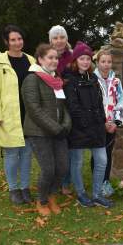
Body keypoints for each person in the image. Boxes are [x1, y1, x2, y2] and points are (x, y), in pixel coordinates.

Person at [21, 44, 72, 216]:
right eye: (50, 57)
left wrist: (65, 125)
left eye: (56, 58)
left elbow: (63, 107)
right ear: (40, 59)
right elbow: (34, 110)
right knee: (48, 169)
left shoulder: (55, 79)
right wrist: (56, 128)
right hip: (38, 132)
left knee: (63, 167)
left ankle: (51, 196)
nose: (54, 61)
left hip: (58, 132)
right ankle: (41, 200)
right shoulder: (32, 79)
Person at [63, 41, 114, 208]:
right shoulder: (69, 79)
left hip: (97, 127)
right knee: (76, 163)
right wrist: (85, 124)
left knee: (101, 160)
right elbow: (73, 106)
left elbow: (99, 103)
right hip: (78, 128)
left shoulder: (93, 78)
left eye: (87, 58)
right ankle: (81, 194)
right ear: (75, 60)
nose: (85, 62)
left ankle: (97, 194)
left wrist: (103, 121)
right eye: (81, 58)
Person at [0, 25, 35, 205]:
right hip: (9, 116)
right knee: (11, 155)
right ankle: (13, 189)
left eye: (20, 39)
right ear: (7, 42)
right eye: (13, 39)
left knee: (26, 155)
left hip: (30, 116)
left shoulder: (31, 60)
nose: (17, 42)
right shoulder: (0, 61)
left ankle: (25, 188)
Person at [91, 49, 123, 197]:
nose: (106, 65)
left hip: (111, 125)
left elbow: (120, 101)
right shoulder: (92, 80)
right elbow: (91, 104)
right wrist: (101, 122)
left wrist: (115, 122)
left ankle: (105, 181)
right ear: (97, 63)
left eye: (109, 62)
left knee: (108, 154)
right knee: (97, 155)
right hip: (97, 124)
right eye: (103, 61)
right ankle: (96, 181)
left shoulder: (116, 81)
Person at [48, 25, 74, 195]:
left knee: (68, 147)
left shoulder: (73, 57)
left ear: (66, 39)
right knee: (51, 147)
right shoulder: (46, 56)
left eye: (62, 37)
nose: (59, 40)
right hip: (51, 106)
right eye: (55, 38)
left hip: (71, 105)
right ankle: (53, 181)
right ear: (51, 41)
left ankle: (65, 182)